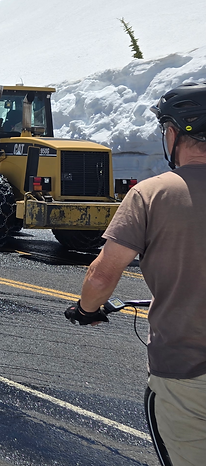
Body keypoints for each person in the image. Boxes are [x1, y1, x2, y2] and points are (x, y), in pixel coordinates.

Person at [65, 82, 206, 466]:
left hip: (187, 374)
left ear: (173, 134)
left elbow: (102, 276)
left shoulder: (152, 194)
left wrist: (86, 309)